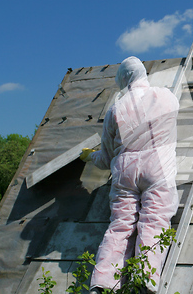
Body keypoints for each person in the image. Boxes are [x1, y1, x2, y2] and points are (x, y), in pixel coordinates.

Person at [80, 56, 179, 293]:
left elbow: (105, 158)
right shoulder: (167, 96)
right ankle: (145, 280)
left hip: (125, 170)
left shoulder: (116, 109)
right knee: (155, 221)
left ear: (123, 79)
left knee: (121, 225)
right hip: (158, 168)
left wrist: (89, 157)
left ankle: (103, 284)